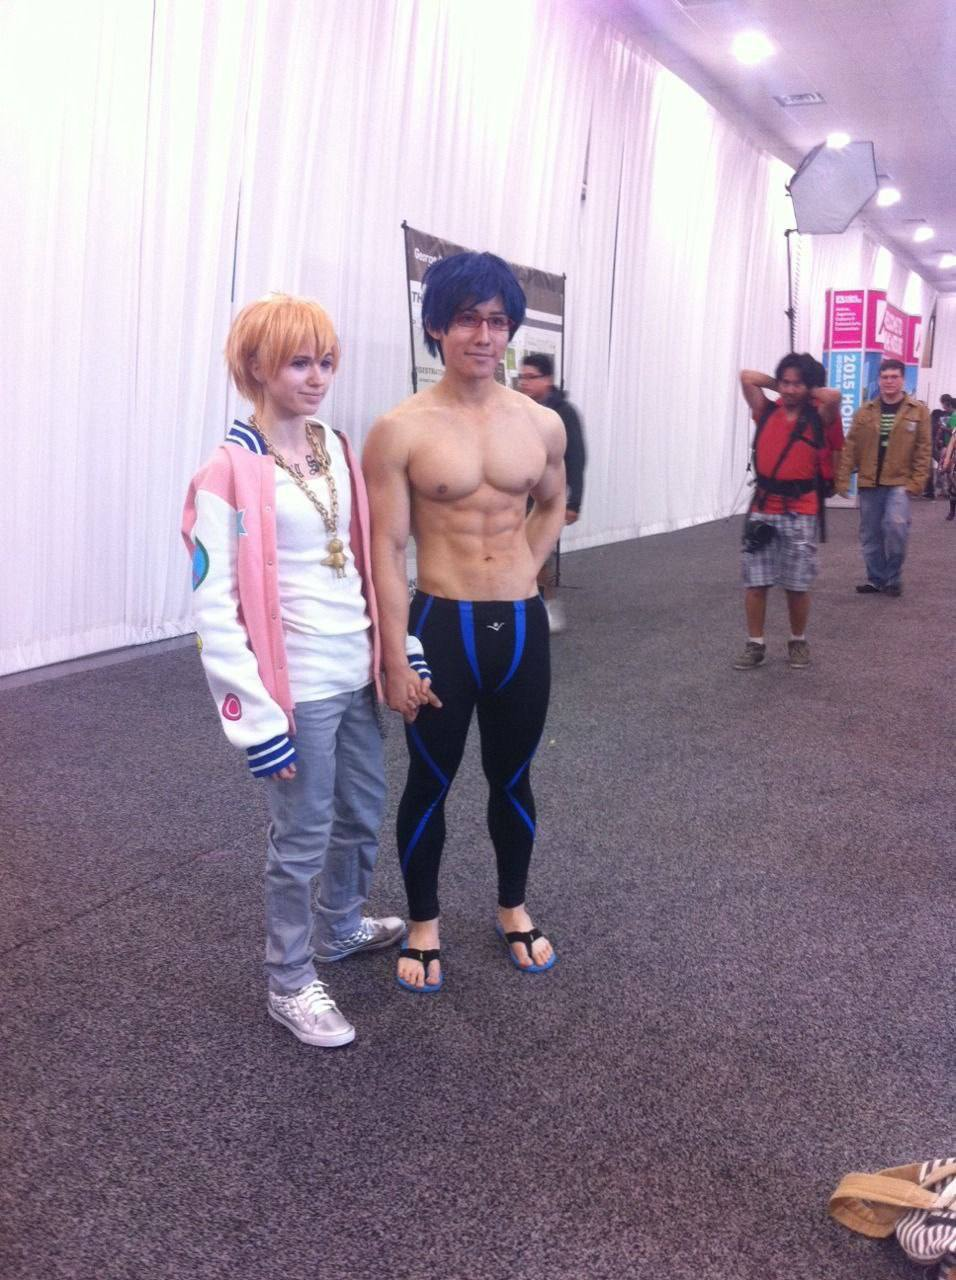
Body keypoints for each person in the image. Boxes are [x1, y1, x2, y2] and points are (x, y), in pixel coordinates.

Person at [182, 293, 403, 1048]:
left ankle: (340, 925)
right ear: (256, 367)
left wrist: (399, 647)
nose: (317, 378)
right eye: (298, 363)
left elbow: (365, 560)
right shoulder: (227, 472)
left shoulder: (335, 447)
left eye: (326, 362)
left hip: (354, 674)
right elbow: (214, 608)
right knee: (301, 834)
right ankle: (288, 979)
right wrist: (254, 720)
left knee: (362, 812)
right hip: (296, 689)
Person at [363, 252, 567, 992]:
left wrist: (525, 568)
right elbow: (387, 549)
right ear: (436, 328)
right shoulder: (399, 430)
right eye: (467, 320)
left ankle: (513, 906)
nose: (484, 336)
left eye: (497, 321)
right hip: (440, 626)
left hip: (520, 627)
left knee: (513, 779)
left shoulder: (541, 424)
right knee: (431, 779)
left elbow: (554, 502)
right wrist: (393, 655)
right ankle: (424, 921)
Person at [735, 354, 842, 670]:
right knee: (756, 582)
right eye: (786, 382)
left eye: (797, 384)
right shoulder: (766, 411)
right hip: (763, 508)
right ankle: (755, 644)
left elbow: (833, 397)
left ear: (808, 387)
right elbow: (747, 376)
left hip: (801, 509)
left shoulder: (818, 417)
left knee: (797, 584)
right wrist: (781, 385)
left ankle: (798, 640)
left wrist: (805, 390)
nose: (790, 389)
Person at [836, 358, 932, 596]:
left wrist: (918, 481)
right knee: (870, 534)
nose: (889, 381)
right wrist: (842, 477)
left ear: (903, 380)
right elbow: (851, 447)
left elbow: (924, 449)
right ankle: (877, 579)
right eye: (885, 377)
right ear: (879, 380)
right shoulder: (864, 412)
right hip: (869, 481)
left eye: (894, 377)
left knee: (896, 527)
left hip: (899, 482)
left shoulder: (918, 411)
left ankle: (893, 577)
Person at [517, 353, 587, 632]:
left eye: (531, 377)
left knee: (541, 553)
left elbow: (577, 457)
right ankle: (523, 603)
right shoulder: (517, 409)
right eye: (522, 377)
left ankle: (547, 604)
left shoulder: (563, 412)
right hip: (518, 495)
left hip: (547, 497)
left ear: (547, 379)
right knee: (517, 552)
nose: (524, 383)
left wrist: (574, 502)